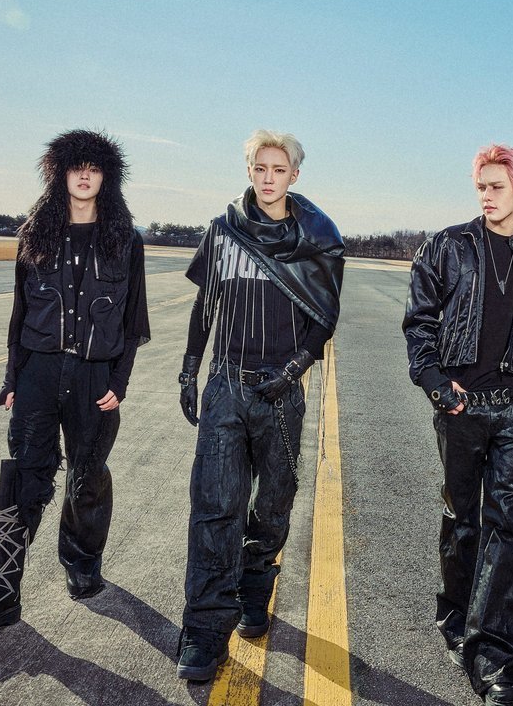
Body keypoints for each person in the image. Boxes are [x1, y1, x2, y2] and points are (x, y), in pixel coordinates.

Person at [0, 129, 150, 638]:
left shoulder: (125, 240)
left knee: (88, 474)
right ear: (59, 174)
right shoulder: (34, 235)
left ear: (106, 177)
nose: (84, 175)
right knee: (25, 473)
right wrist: (12, 378)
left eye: (94, 168)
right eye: (75, 167)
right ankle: (4, 589)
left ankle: (81, 561)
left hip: (94, 377)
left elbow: (134, 322)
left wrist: (120, 381)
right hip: (38, 372)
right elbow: (19, 314)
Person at [402, 145, 513, 706]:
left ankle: (497, 659)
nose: (486, 195)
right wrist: (436, 383)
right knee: (462, 519)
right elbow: (419, 324)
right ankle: (455, 614)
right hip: (459, 406)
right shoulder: (446, 247)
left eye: (497, 186)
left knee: (506, 529)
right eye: (481, 186)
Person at [175, 129, 344, 681]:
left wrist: (294, 369)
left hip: (281, 393)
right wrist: (189, 370)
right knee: (214, 508)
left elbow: (323, 318)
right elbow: (205, 306)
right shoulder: (222, 231)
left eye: (278, 169)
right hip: (226, 385)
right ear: (248, 171)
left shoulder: (317, 238)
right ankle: (203, 631)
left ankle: (254, 591)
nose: (268, 178)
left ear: (294, 174)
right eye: (259, 168)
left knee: (271, 506)